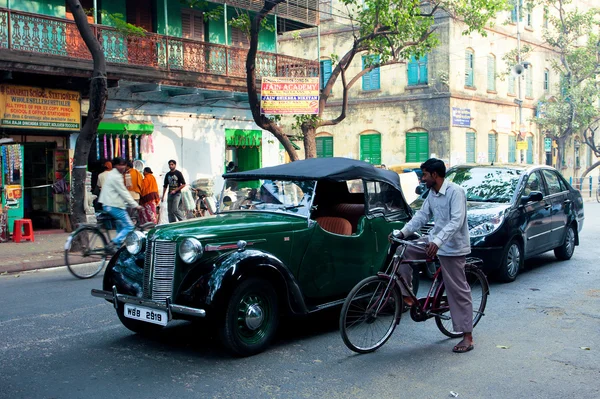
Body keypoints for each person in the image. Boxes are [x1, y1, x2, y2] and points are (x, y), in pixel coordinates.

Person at [391, 158, 474, 353]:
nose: (422, 179)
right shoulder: (432, 194)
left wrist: (438, 242)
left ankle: (467, 337)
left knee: (457, 290)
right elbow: (421, 216)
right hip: (433, 241)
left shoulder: (455, 192)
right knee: (402, 250)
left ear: (435, 175)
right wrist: (402, 233)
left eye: (425, 175)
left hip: (453, 247)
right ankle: (407, 296)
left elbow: (456, 222)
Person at [98, 157, 143, 253]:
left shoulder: (112, 174)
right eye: (120, 164)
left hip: (109, 204)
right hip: (114, 206)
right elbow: (124, 192)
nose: (122, 167)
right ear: (115, 165)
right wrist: (135, 205)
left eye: (124, 164)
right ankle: (114, 243)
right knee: (130, 226)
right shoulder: (116, 177)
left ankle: (116, 250)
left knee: (120, 228)